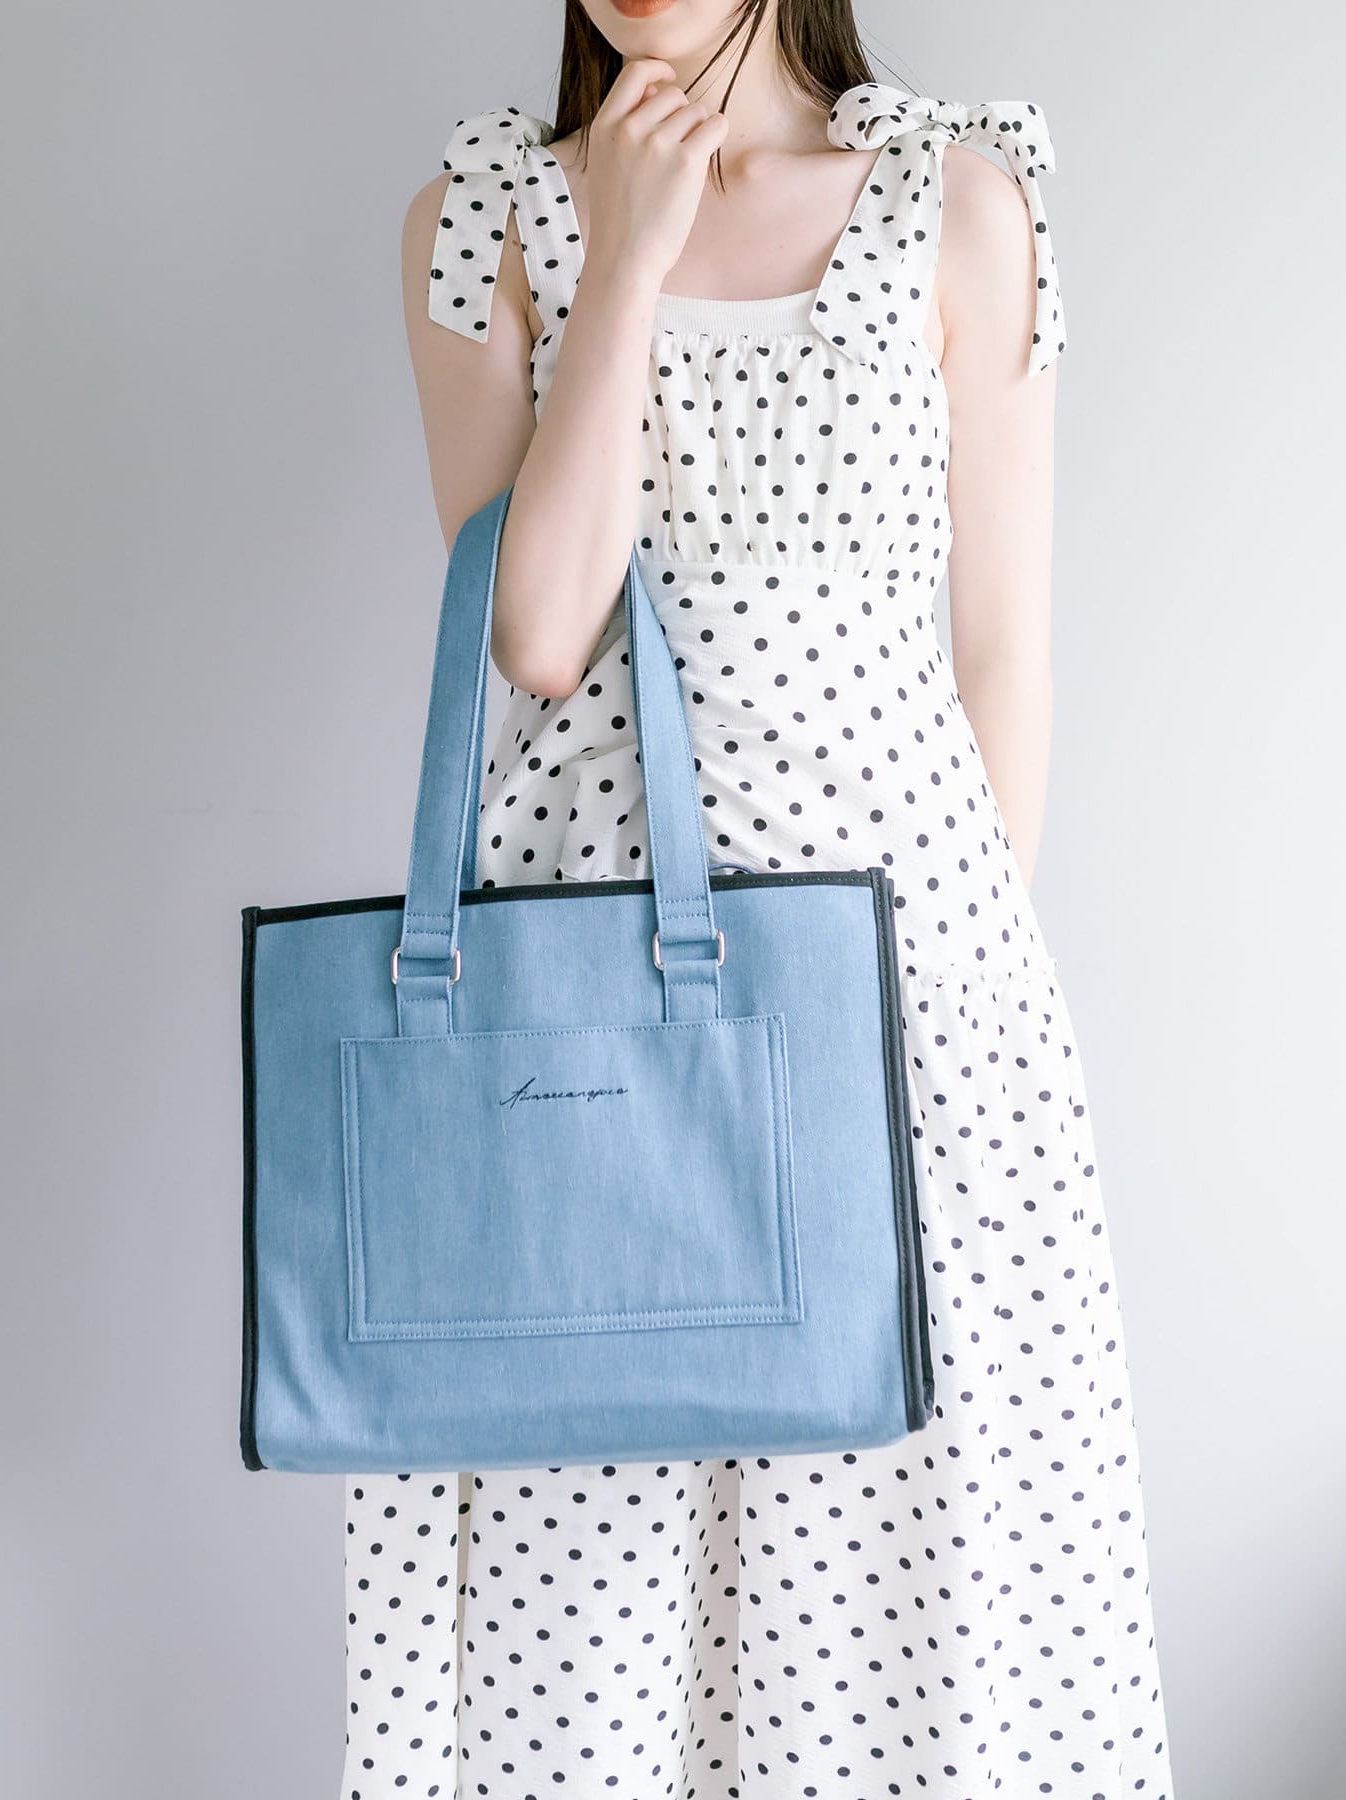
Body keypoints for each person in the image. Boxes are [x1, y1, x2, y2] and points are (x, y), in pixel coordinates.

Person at [337, 5, 1175, 1796]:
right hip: (579, 1042)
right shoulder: (482, 220)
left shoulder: (961, 203)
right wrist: (628, 261)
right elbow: (537, 635)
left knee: (907, 1628)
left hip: (913, 1023)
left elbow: (1003, 656)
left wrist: (938, 1039)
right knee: (597, 1636)